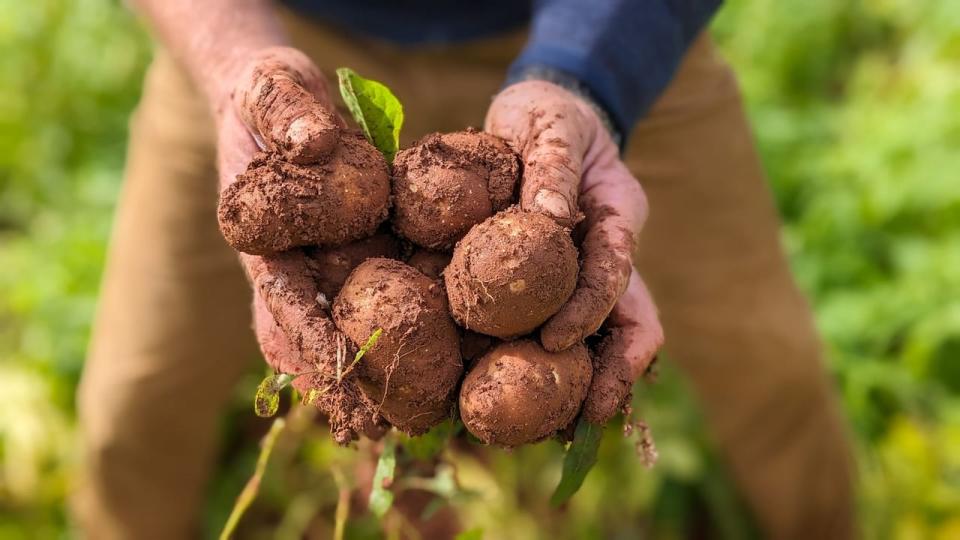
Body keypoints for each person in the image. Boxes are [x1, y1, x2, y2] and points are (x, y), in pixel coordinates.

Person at [74, 0, 855, 538]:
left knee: (772, 366)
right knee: (131, 407)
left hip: (597, 43)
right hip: (273, 40)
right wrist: (232, 68)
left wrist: (584, 75)